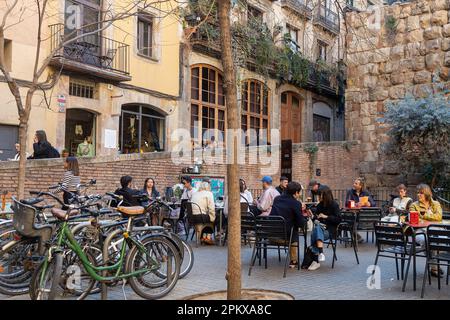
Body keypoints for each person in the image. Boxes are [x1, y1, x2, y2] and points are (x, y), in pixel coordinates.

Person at [269, 181, 307, 269]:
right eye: (299, 192)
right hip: (285, 238)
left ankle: (294, 260)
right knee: (294, 230)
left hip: (270, 235)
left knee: (290, 226)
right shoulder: (296, 203)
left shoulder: (277, 199)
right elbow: (301, 223)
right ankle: (293, 260)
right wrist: (301, 212)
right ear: (296, 192)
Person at [410, 183, 443, 277]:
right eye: (417, 193)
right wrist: (430, 217)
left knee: (442, 240)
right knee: (427, 241)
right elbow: (415, 220)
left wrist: (424, 216)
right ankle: (434, 267)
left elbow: (439, 216)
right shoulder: (414, 205)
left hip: (435, 229)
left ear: (427, 194)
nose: (418, 195)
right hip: (419, 231)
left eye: (421, 193)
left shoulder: (436, 204)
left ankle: (434, 265)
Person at [308, 186, 342, 271]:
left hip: (330, 230)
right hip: (321, 229)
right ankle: (321, 253)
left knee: (316, 231)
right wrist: (312, 217)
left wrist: (326, 217)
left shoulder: (334, 205)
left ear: (325, 195)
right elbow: (316, 220)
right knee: (317, 228)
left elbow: (338, 219)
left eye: (320, 195)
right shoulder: (320, 205)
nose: (319, 197)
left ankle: (316, 260)